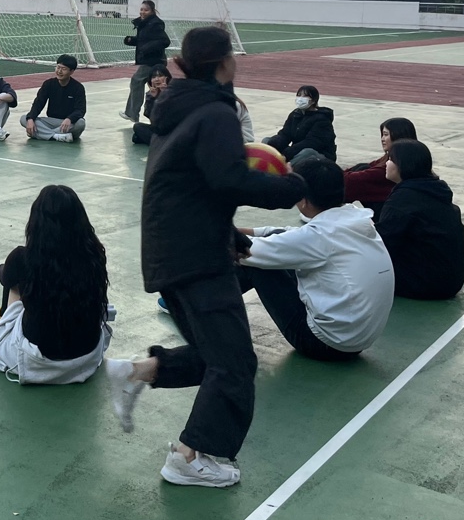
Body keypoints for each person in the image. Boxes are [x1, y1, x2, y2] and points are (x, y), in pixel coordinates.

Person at [104, 25, 307, 488]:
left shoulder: (180, 107)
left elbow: (187, 186)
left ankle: (137, 373)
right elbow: (229, 179)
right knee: (235, 364)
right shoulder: (215, 113)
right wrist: (292, 186)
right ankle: (190, 457)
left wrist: (228, 233)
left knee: (216, 354)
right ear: (223, 63)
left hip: (174, 250)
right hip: (194, 258)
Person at [236, 157, 394, 361]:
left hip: (325, 344)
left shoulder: (318, 238)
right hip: (356, 339)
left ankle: (207, 310)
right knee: (273, 247)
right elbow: (292, 235)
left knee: (253, 262)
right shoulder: (354, 217)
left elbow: (246, 250)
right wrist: (245, 231)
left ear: (302, 199)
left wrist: (213, 228)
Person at [0, 185, 112, 383]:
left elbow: (5, 278)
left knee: (14, 282)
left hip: (38, 360)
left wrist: (3, 267)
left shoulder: (23, 257)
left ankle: (3, 317)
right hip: (87, 355)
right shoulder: (94, 256)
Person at [376, 140, 464, 300]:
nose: (386, 163)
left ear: (403, 165)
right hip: (452, 280)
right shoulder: (435, 190)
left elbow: (383, 242)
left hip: (425, 284)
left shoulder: (404, 198)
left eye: (390, 159)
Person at [343, 117, 418, 217]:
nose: (382, 139)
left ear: (398, 135)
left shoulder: (399, 163)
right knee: (362, 167)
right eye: (382, 135)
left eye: (386, 135)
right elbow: (372, 166)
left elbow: (354, 179)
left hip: (392, 212)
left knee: (349, 182)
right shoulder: (394, 156)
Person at [121, 0, 170, 122]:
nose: (142, 12)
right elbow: (143, 40)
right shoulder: (145, 23)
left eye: (146, 10)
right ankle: (157, 114)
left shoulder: (155, 24)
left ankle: (132, 114)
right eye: (141, 9)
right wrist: (131, 40)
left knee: (137, 81)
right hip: (151, 60)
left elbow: (165, 41)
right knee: (155, 86)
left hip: (154, 61)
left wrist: (147, 48)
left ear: (152, 11)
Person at [263, 85, 337, 162]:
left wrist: (287, 153)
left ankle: (284, 167)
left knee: (307, 152)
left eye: (305, 96)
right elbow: (285, 134)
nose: (300, 98)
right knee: (267, 141)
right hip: (297, 150)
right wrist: (274, 144)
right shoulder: (295, 114)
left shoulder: (322, 119)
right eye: (299, 95)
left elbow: (312, 143)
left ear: (314, 100)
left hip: (319, 155)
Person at [23, 54, 87, 142]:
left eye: (63, 69)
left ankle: (42, 134)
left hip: (68, 123)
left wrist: (69, 119)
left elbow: (80, 110)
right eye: (58, 67)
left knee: (80, 123)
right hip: (51, 121)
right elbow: (38, 103)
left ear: (71, 71)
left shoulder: (78, 87)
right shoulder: (49, 84)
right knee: (24, 118)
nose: (59, 71)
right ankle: (56, 136)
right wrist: (30, 118)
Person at [130, 66, 173, 145]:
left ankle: (159, 142)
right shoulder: (150, 94)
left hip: (174, 130)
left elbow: (172, 115)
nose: (157, 79)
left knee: (137, 137)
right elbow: (149, 116)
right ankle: (160, 142)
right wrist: (154, 98)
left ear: (167, 77)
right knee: (137, 127)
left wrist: (165, 95)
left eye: (160, 76)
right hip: (160, 129)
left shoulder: (174, 91)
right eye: (154, 77)